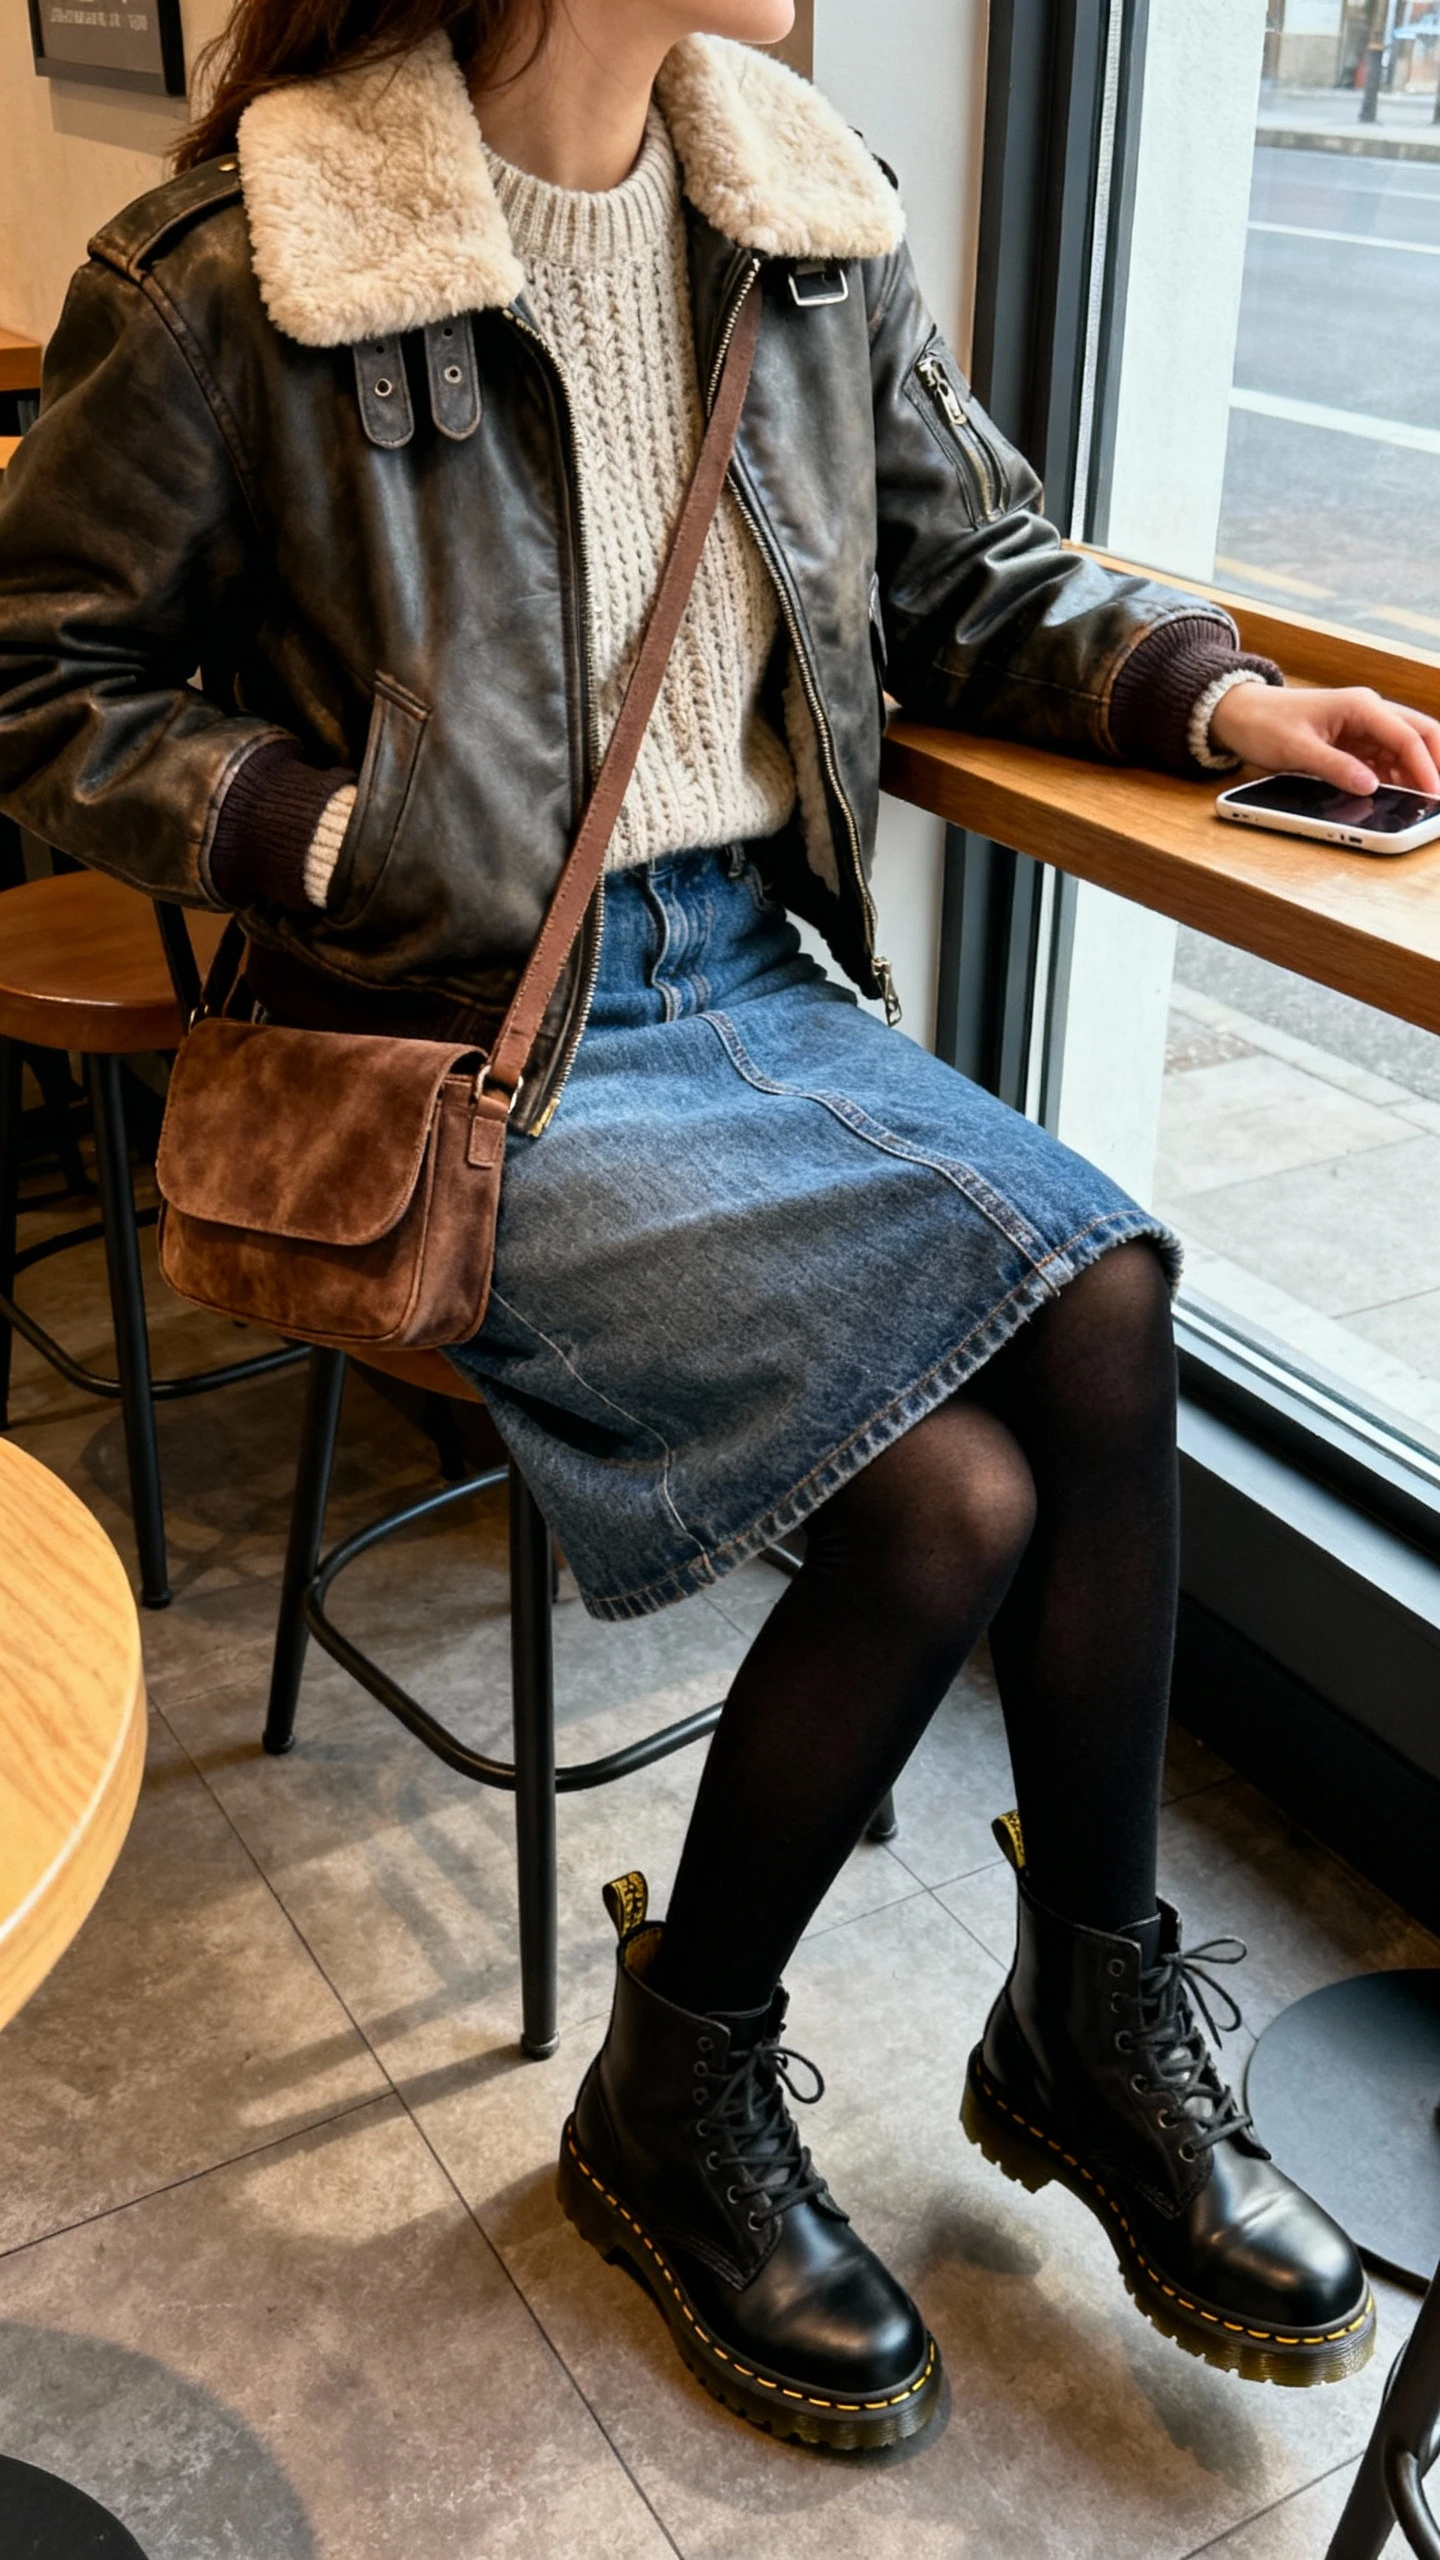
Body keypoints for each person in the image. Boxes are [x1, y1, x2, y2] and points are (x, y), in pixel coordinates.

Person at [2, 0, 1435, 2457]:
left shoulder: (798, 207)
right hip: (475, 1036)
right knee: (970, 1475)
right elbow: (45, 682)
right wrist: (325, 838)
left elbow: (964, 564)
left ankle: (1065, 2013)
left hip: (762, 978)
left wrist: (1216, 698)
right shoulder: (251, 257)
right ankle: (770, 2075)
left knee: (1102, 1299)